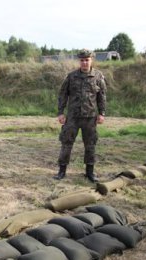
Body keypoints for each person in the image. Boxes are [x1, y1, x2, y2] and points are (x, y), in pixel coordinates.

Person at [54, 49, 107, 182]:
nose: (84, 62)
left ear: (91, 60)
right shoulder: (71, 76)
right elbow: (63, 95)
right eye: (82, 60)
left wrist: (102, 113)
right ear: (79, 61)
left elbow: (102, 97)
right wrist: (61, 112)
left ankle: (90, 172)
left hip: (90, 117)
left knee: (90, 144)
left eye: (87, 60)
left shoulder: (98, 76)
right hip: (73, 117)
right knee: (66, 143)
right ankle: (62, 171)